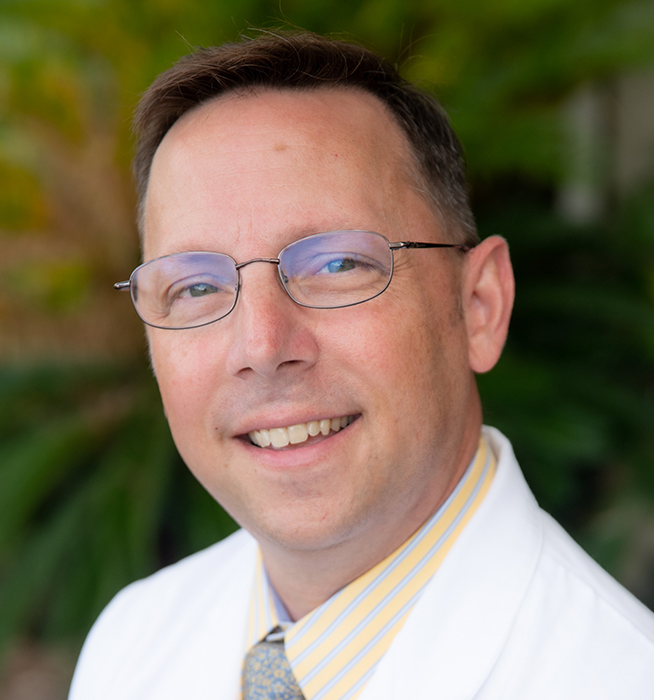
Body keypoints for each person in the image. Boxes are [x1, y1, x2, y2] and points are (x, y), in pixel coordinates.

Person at [68, 31, 654, 699]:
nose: (261, 345)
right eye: (196, 286)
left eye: (337, 264)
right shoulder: (130, 645)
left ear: (480, 305)